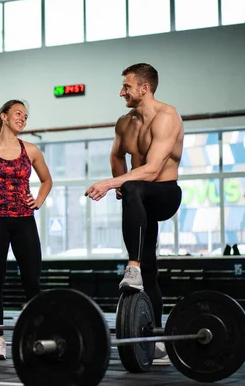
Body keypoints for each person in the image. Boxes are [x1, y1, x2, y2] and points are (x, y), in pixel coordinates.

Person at [85, 63, 183, 366]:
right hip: (139, 197)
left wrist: (112, 183)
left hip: (165, 194)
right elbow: (116, 155)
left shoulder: (167, 117)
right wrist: (121, 183)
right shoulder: (124, 123)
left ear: (145, 87)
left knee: (134, 188)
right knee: (151, 272)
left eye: (126, 86)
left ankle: (132, 265)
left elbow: (153, 170)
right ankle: (155, 339)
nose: (121, 92)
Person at [0, 99, 52, 360]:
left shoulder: (30, 150)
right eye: (18, 113)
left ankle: (36, 335)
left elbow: (46, 180)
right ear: (4, 117)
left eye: (26, 116)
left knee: (32, 281)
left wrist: (38, 200)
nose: (23, 118)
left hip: (24, 221)